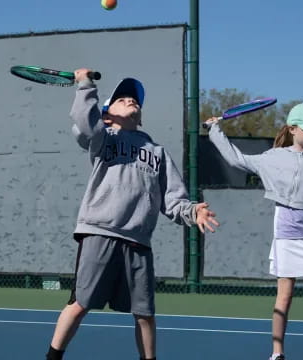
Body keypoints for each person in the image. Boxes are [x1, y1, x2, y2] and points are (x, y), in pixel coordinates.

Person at [45, 69, 219, 360]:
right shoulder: (104, 138)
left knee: (145, 313)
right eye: (122, 98)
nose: (130, 100)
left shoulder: (158, 152)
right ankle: (53, 357)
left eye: (134, 99)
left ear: (141, 116)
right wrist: (85, 85)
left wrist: (192, 211)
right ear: (107, 115)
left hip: (139, 241)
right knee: (80, 303)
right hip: (100, 232)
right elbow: (84, 125)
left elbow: (173, 200)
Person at [204, 102, 303, 360]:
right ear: (292, 129)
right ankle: (277, 354)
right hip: (286, 237)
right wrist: (215, 130)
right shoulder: (273, 158)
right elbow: (236, 160)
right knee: (284, 297)